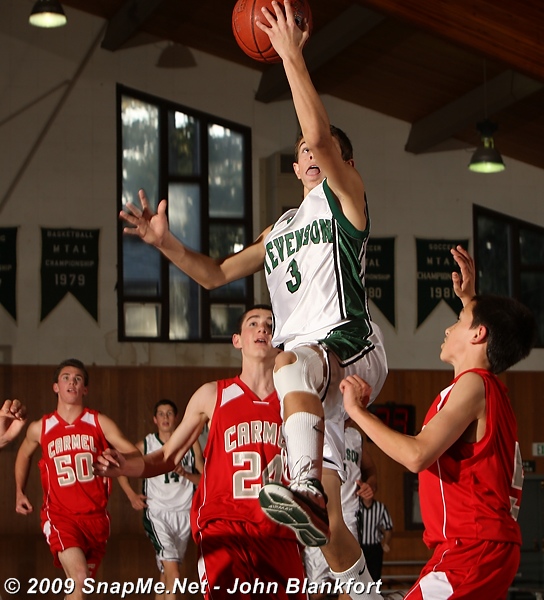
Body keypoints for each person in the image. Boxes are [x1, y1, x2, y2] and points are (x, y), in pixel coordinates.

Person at [118, 2, 387, 596]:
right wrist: (166, 245)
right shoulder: (280, 228)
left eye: (322, 150)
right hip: (307, 384)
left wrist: (290, 55)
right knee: (329, 527)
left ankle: (302, 485)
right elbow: (215, 274)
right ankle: (363, 586)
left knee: (292, 367)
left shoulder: (347, 198)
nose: (312, 154)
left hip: (346, 345)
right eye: (303, 153)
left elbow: (320, 135)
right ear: (293, 165)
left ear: (344, 162)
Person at [341, 246, 537, 600]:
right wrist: (470, 300)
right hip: (479, 546)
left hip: (471, 547)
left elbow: (417, 455)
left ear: (478, 334)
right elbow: (488, 328)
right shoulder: (489, 391)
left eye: (459, 320)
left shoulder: (474, 385)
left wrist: (358, 413)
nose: (448, 328)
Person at [94, 306, 307, 600]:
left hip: (279, 530)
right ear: (237, 340)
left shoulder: (295, 401)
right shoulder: (213, 394)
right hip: (224, 528)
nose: (263, 329)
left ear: (279, 341)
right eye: (253, 323)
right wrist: (124, 467)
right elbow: (168, 456)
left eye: (270, 324)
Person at [14, 358, 140, 600]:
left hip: (96, 519)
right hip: (60, 516)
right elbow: (23, 454)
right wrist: (19, 491)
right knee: (79, 577)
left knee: (79, 589)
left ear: (85, 389)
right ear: (56, 387)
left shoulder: (99, 422)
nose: (72, 382)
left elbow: (134, 454)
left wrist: (118, 458)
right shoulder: (41, 427)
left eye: (77, 379)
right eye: (66, 378)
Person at [119, 399, 204, 600]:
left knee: (167, 574)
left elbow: (204, 479)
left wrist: (186, 474)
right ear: (155, 420)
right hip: (157, 513)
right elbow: (122, 469)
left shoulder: (190, 443)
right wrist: (131, 495)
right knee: (174, 573)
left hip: (184, 514)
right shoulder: (146, 445)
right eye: (161, 414)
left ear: (176, 418)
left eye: (169, 413)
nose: (165, 417)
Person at [303, 419, 379, 600]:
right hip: (319, 514)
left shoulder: (356, 437)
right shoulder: (312, 428)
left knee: (351, 587)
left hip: (348, 516)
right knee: (317, 590)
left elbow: (370, 470)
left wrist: (370, 485)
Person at [356, 489, 393, 583]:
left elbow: (388, 528)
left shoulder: (381, 507)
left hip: (375, 547)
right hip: (359, 548)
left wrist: (386, 543)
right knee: (359, 577)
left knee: (375, 577)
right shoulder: (356, 507)